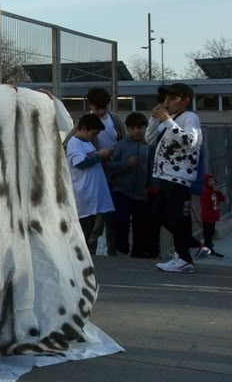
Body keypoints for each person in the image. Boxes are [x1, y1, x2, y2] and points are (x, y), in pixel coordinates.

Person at [149, 83, 204, 274]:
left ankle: (184, 257)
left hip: (178, 176)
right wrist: (156, 119)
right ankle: (193, 247)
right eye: (166, 99)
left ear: (186, 100)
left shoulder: (190, 118)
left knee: (174, 217)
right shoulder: (172, 118)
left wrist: (167, 121)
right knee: (161, 214)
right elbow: (150, 139)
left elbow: (189, 141)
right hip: (165, 175)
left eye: (173, 98)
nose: (167, 102)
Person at [67, 114, 116, 254]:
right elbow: (81, 163)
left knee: (91, 226)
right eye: (93, 133)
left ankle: (86, 253)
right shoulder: (74, 143)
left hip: (91, 194)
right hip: (83, 194)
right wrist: (100, 155)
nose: (94, 137)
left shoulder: (87, 143)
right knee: (85, 226)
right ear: (83, 129)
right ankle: (80, 254)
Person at [106, 112, 152, 257]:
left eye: (140, 128)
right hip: (121, 191)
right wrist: (125, 164)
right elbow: (109, 166)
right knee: (121, 223)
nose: (136, 131)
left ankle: (138, 253)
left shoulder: (150, 147)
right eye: (132, 128)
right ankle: (122, 251)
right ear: (127, 129)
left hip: (142, 193)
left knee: (141, 225)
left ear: (145, 128)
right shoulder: (120, 146)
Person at [197, 174, 225, 258]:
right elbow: (206, 206)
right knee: (208, 235)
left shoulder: (215, 190)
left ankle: (205, 250)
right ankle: (210, 251)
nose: (212, 182)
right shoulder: (205, 191)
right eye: (210, 181)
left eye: (213, 180)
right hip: (207, 217)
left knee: (211, 233)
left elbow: (222, 199)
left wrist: (218, 192)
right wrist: (207, 217)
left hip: (214, 216)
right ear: (206, 182)